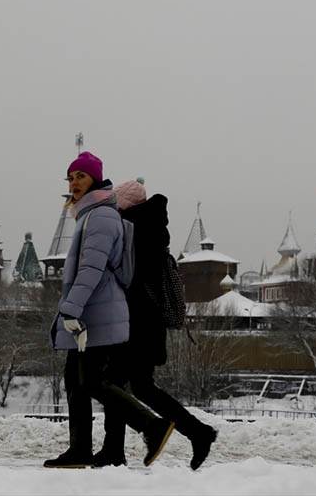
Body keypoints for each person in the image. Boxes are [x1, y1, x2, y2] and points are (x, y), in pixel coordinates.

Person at [44, 152, 175, 469]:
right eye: (71, 177)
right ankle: (82, 450)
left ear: (95, 179)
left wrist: (70, 307)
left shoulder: (101, 216)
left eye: (81, 176)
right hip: (93, 311)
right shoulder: (90, 214)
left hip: (97, 313)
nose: (74, 183)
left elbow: (91, 268)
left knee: (92, 382)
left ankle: (152, 427)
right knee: (76, 380)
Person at [93, 178, 219, 471]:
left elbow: (130, 281)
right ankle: (198, 433)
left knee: (114, 384)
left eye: (115, 204)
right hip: (144, 325)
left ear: (124, 205)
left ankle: (115, 450)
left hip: (135, 323)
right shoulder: (151, 229)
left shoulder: (135, 232)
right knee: (138, 387)